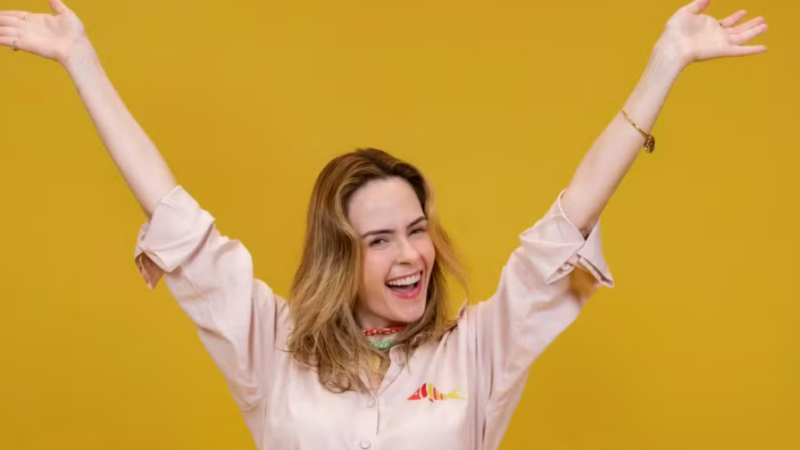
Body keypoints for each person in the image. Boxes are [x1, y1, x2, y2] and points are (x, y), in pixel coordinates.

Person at [0, 0, 768, 448]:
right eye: (378, 239)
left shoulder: (478, 353)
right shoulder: (270, 348)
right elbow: (174, 218)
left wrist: (663, 65)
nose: (410, 255)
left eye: (416, 229)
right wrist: (80, 59)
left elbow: (569, 219)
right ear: (339, 257)